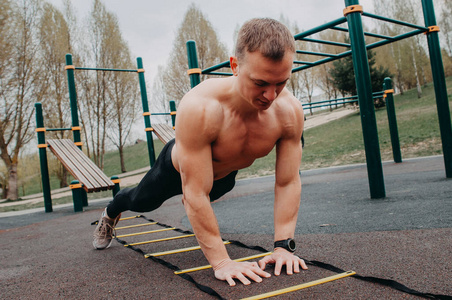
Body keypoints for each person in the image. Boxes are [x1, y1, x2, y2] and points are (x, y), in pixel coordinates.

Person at [93, 18, 307, 286]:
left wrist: (283, 247)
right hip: (175, 169)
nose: (271, 95)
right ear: (235, 66)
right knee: (141, 201)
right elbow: (193, 193)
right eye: (260, 83)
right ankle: (111, 212)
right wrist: (222, 262)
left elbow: (288, 181)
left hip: (223, 177)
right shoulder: (200, 107)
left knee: (212, 193)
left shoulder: (289, 112)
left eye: (281, 83)